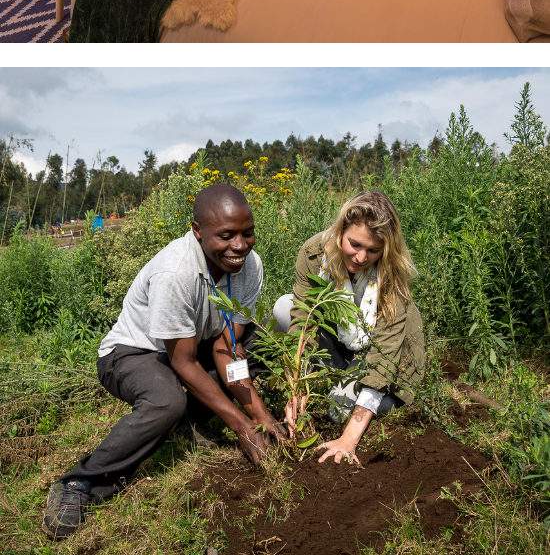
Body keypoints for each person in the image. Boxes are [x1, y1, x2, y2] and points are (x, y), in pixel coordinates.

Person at [42, 183, 285, 540]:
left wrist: (260, 416)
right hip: (133, 352)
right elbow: (183, 363)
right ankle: (81, 482)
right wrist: (241, 426)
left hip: (194, 344)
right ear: (197, 231)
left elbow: (228, 345)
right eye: (226, 235)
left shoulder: (248, 265)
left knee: (260, 344)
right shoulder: (176, 273)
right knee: (166, 401)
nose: (239, 245)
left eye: (247, 233)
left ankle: (194, 421)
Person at [273, 190, 425, 465]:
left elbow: (385, 355)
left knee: (339, 410)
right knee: (284, 306)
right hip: (346, 344)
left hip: (385, 354)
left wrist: (349, 439)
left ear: (386, 249)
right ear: (341, 230)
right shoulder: (313, 253)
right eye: (355, 244)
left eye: (373, 250)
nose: (361, 257)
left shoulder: (393, 272)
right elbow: (303, 321)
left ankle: (358, 392)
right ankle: (340, 379)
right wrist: (298, 387)